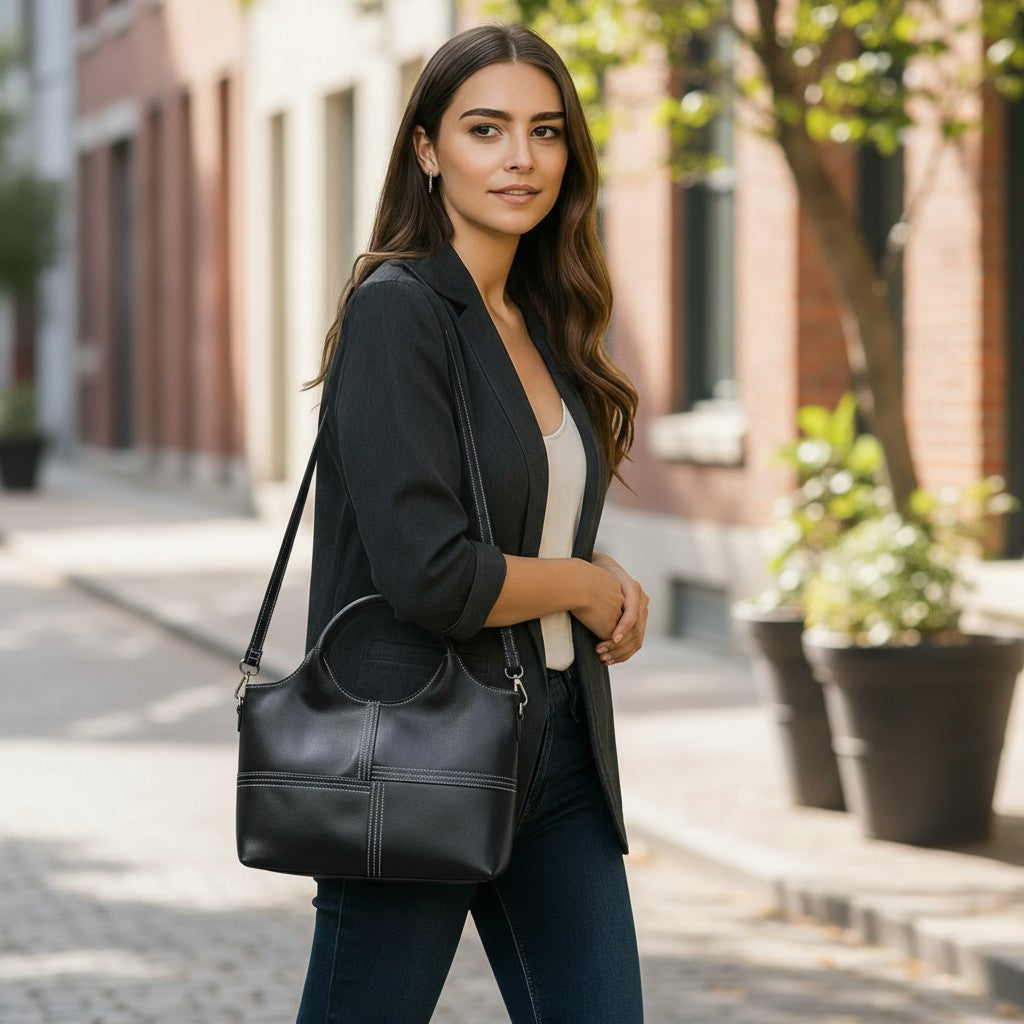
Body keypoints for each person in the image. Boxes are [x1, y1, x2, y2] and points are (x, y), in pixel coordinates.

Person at [297, 22, 649, 1024]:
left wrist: (601, 566)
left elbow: (516, 507)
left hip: (562, 749)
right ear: (425, 148)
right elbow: (434, 575)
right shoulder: (398, 310)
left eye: (544, 132)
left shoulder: (540, 316)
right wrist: (583, 586)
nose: (520, 159)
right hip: (422, 746)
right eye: (485, 129)